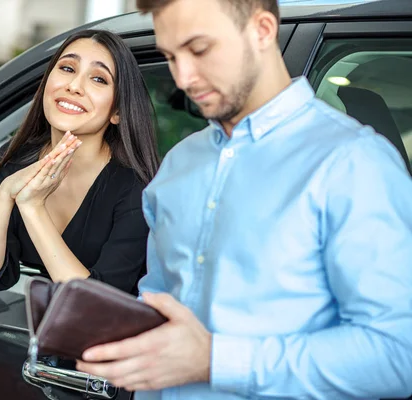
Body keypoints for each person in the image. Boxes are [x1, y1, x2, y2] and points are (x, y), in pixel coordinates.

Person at [76, 0, 412, 399]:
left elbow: (398, 356)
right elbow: (157, 314)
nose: (183, 77)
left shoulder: (354, 164)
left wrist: (215, 360)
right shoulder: (179, 165)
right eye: (170, 57)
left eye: (199, 49)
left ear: (263, 30)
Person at [0, 29, 159, 296]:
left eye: (98, 78)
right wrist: (5, 193)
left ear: (117, 111)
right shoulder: (13, 161)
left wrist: (33, 207)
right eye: (67, 68)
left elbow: (95, 303)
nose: (74, 86)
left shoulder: (136, 188)